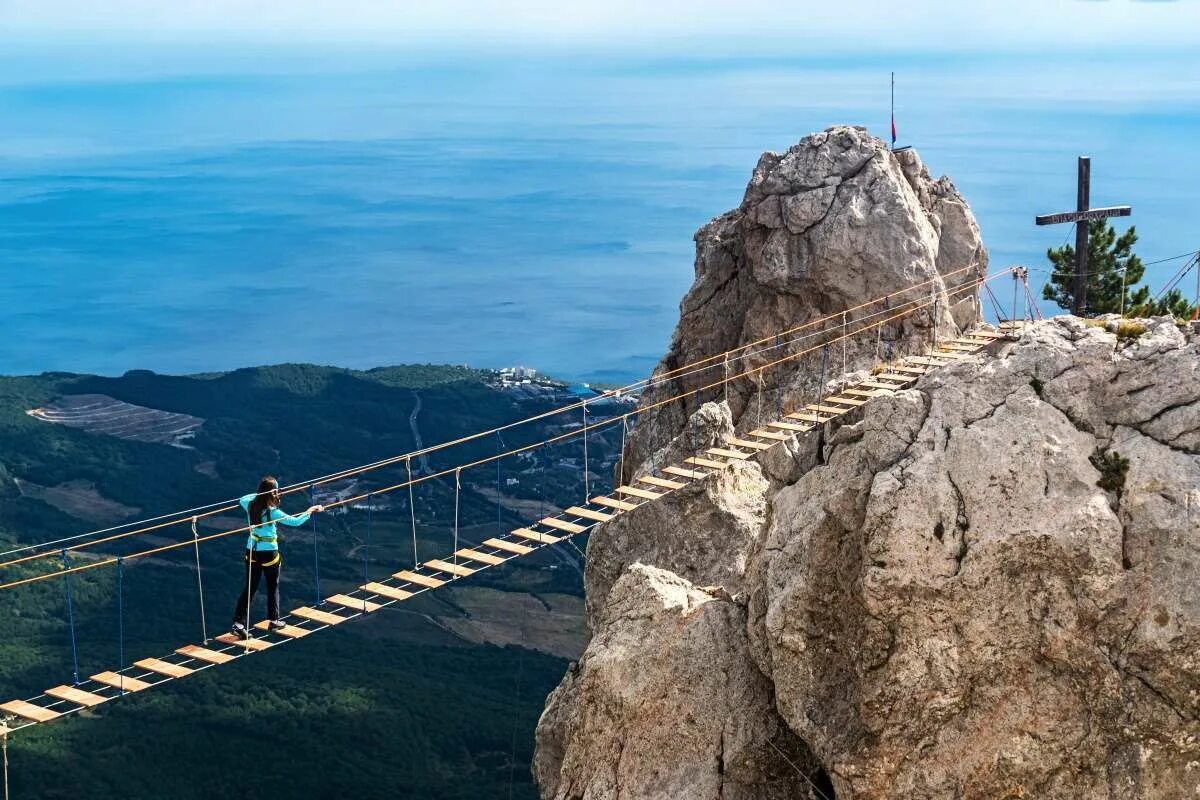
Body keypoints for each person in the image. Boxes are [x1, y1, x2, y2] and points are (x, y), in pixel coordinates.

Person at [231, 476, 323, 638]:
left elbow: (242, 499)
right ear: (272, 493)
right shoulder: (273, 512)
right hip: (269, 552)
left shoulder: (249, 504)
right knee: (272, 586)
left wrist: (262, 493)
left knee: (250, 588)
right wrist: (310, 511)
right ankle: (274, 620)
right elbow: (295, 522)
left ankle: (238, 623)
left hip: (251, 550)